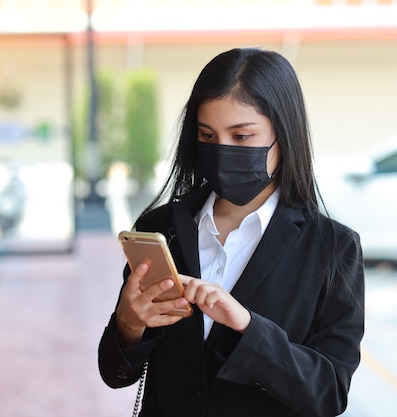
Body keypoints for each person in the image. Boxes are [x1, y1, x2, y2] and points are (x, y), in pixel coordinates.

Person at [98, 47, 365, 417]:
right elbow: (115, 373)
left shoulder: (333, 248)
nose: (223, 150)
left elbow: (330, 392)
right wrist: (129, 323)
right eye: (208, 137)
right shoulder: (161, 230)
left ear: (284, 137)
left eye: (241, 137)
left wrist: (247, 326)